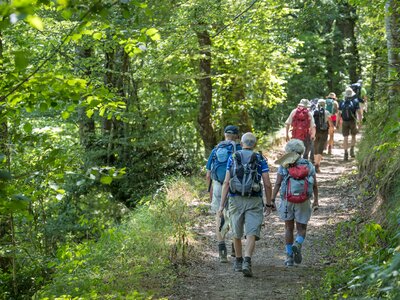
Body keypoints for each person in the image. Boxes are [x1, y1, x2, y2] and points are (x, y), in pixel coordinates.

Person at [218, 132, 273, 277]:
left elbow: (226, 182)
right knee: (252, 232)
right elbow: (267, 183)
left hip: (235, 199)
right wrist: (268, 204)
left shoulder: (233, 157)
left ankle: (238, 260)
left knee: (236, 231)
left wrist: (221, 205)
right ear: (254, 144)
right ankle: (247, 260)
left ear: (241, 143)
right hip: (254, 200)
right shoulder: (260, 158)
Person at [271, 139, 319, 266]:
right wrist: (316, 201)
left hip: (287, 200)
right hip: (304, 201)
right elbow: (314, 185)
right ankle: (297, 243)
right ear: (301, 151)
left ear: (289, 151)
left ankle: (289, 257)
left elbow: (277, 183)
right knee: (302, 228)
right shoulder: (309, 165)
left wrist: (271, 199)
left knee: (288, 228)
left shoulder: (284, 165)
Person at [206, 125, 241, 263]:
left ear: (224, 134)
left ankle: (222, 251)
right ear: (237, 136)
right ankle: (235, 247)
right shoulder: (240, 150)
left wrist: (210, 192)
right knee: (234, 215)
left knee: (219, 215)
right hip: (234, 186)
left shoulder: (215, 150)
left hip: (218, 185)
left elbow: (208, 175)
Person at [338, 87, 362, 161]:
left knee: (345, 138)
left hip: (345, 122)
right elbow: (359, 113)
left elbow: (339, 113)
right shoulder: (355, 101)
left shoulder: (342, 102)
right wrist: (360, 122)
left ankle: (345, 153)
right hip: (352, 121)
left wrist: (338, 123)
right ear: (352, 94)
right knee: (353, 136)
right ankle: (352, 149)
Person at [313, 99, 333, 173]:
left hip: (315, 131)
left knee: (315, 147)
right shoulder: (327, 112)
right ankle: (317, 165)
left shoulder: (314, 112)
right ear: (325, 105)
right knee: (320, 148)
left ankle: (315, 162)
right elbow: (330, 124)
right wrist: (332, 130)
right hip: (323, 131)